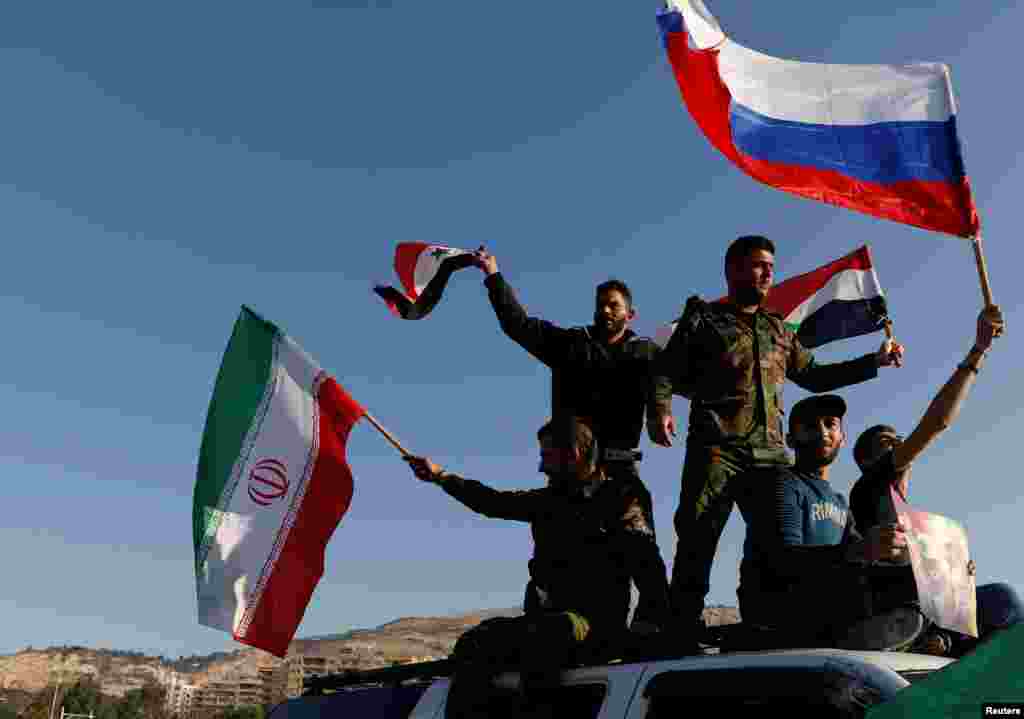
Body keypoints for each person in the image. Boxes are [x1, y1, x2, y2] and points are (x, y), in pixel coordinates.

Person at [648, 235, 905, 640]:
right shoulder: (705, 321)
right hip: (717, 449)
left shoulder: (778, 330)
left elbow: (815, 375)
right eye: (758, 265)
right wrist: (661, 410)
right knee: (698, 537)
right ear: (733, 270)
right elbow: (665, 369)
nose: (767, 273)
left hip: (769, 454)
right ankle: (680, 630)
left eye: (771, 266)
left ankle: (777, 618)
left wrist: (873, 361)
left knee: (783, 543)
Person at [471, 246, 670, 630]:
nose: (605, 310)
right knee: (565, 553)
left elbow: (668, 373)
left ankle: (653, 625)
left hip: (618, 470)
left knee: (640, 550)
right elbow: (517, 324)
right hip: (571, 473)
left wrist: (660, 410)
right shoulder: (571, 345)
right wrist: (493, 275)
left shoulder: (645, 353)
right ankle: (559, 623)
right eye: (600, 304)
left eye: (614, 305)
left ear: (630, 314)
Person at [404, 417, 670, 682]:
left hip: (593, 628)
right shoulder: (548, 502)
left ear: (574, 454)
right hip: (546, 621)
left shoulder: (620, 500)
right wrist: (440, 477)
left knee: (548, 635)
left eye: (547, 456)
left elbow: (648, 567)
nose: (541, 466)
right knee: (476, 642)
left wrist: (645, 630)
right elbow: (492, 502)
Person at [849, 304, 1022, 656]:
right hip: (898, 616)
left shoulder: (904, 512)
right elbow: (936, 422)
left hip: (929, 613)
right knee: (1003, 601)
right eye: (886, 443)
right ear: (866, 462)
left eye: (899, 439)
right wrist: (978, 351)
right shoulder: (870, 488)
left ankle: (946, 646)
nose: (898, 445)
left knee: (1000, 604)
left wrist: (955, 574)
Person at [734, 394, 921, 650]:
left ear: (842, 437)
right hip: (780, 613)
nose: (822, 432)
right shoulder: (782, 483)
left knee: (920, 580)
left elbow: (861, 558)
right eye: (810, 426)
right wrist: (862, 550)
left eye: (830, 424)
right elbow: (781, 561)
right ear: (790, 440)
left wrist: (904, 557)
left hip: (829, 606)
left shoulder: (839, 502)